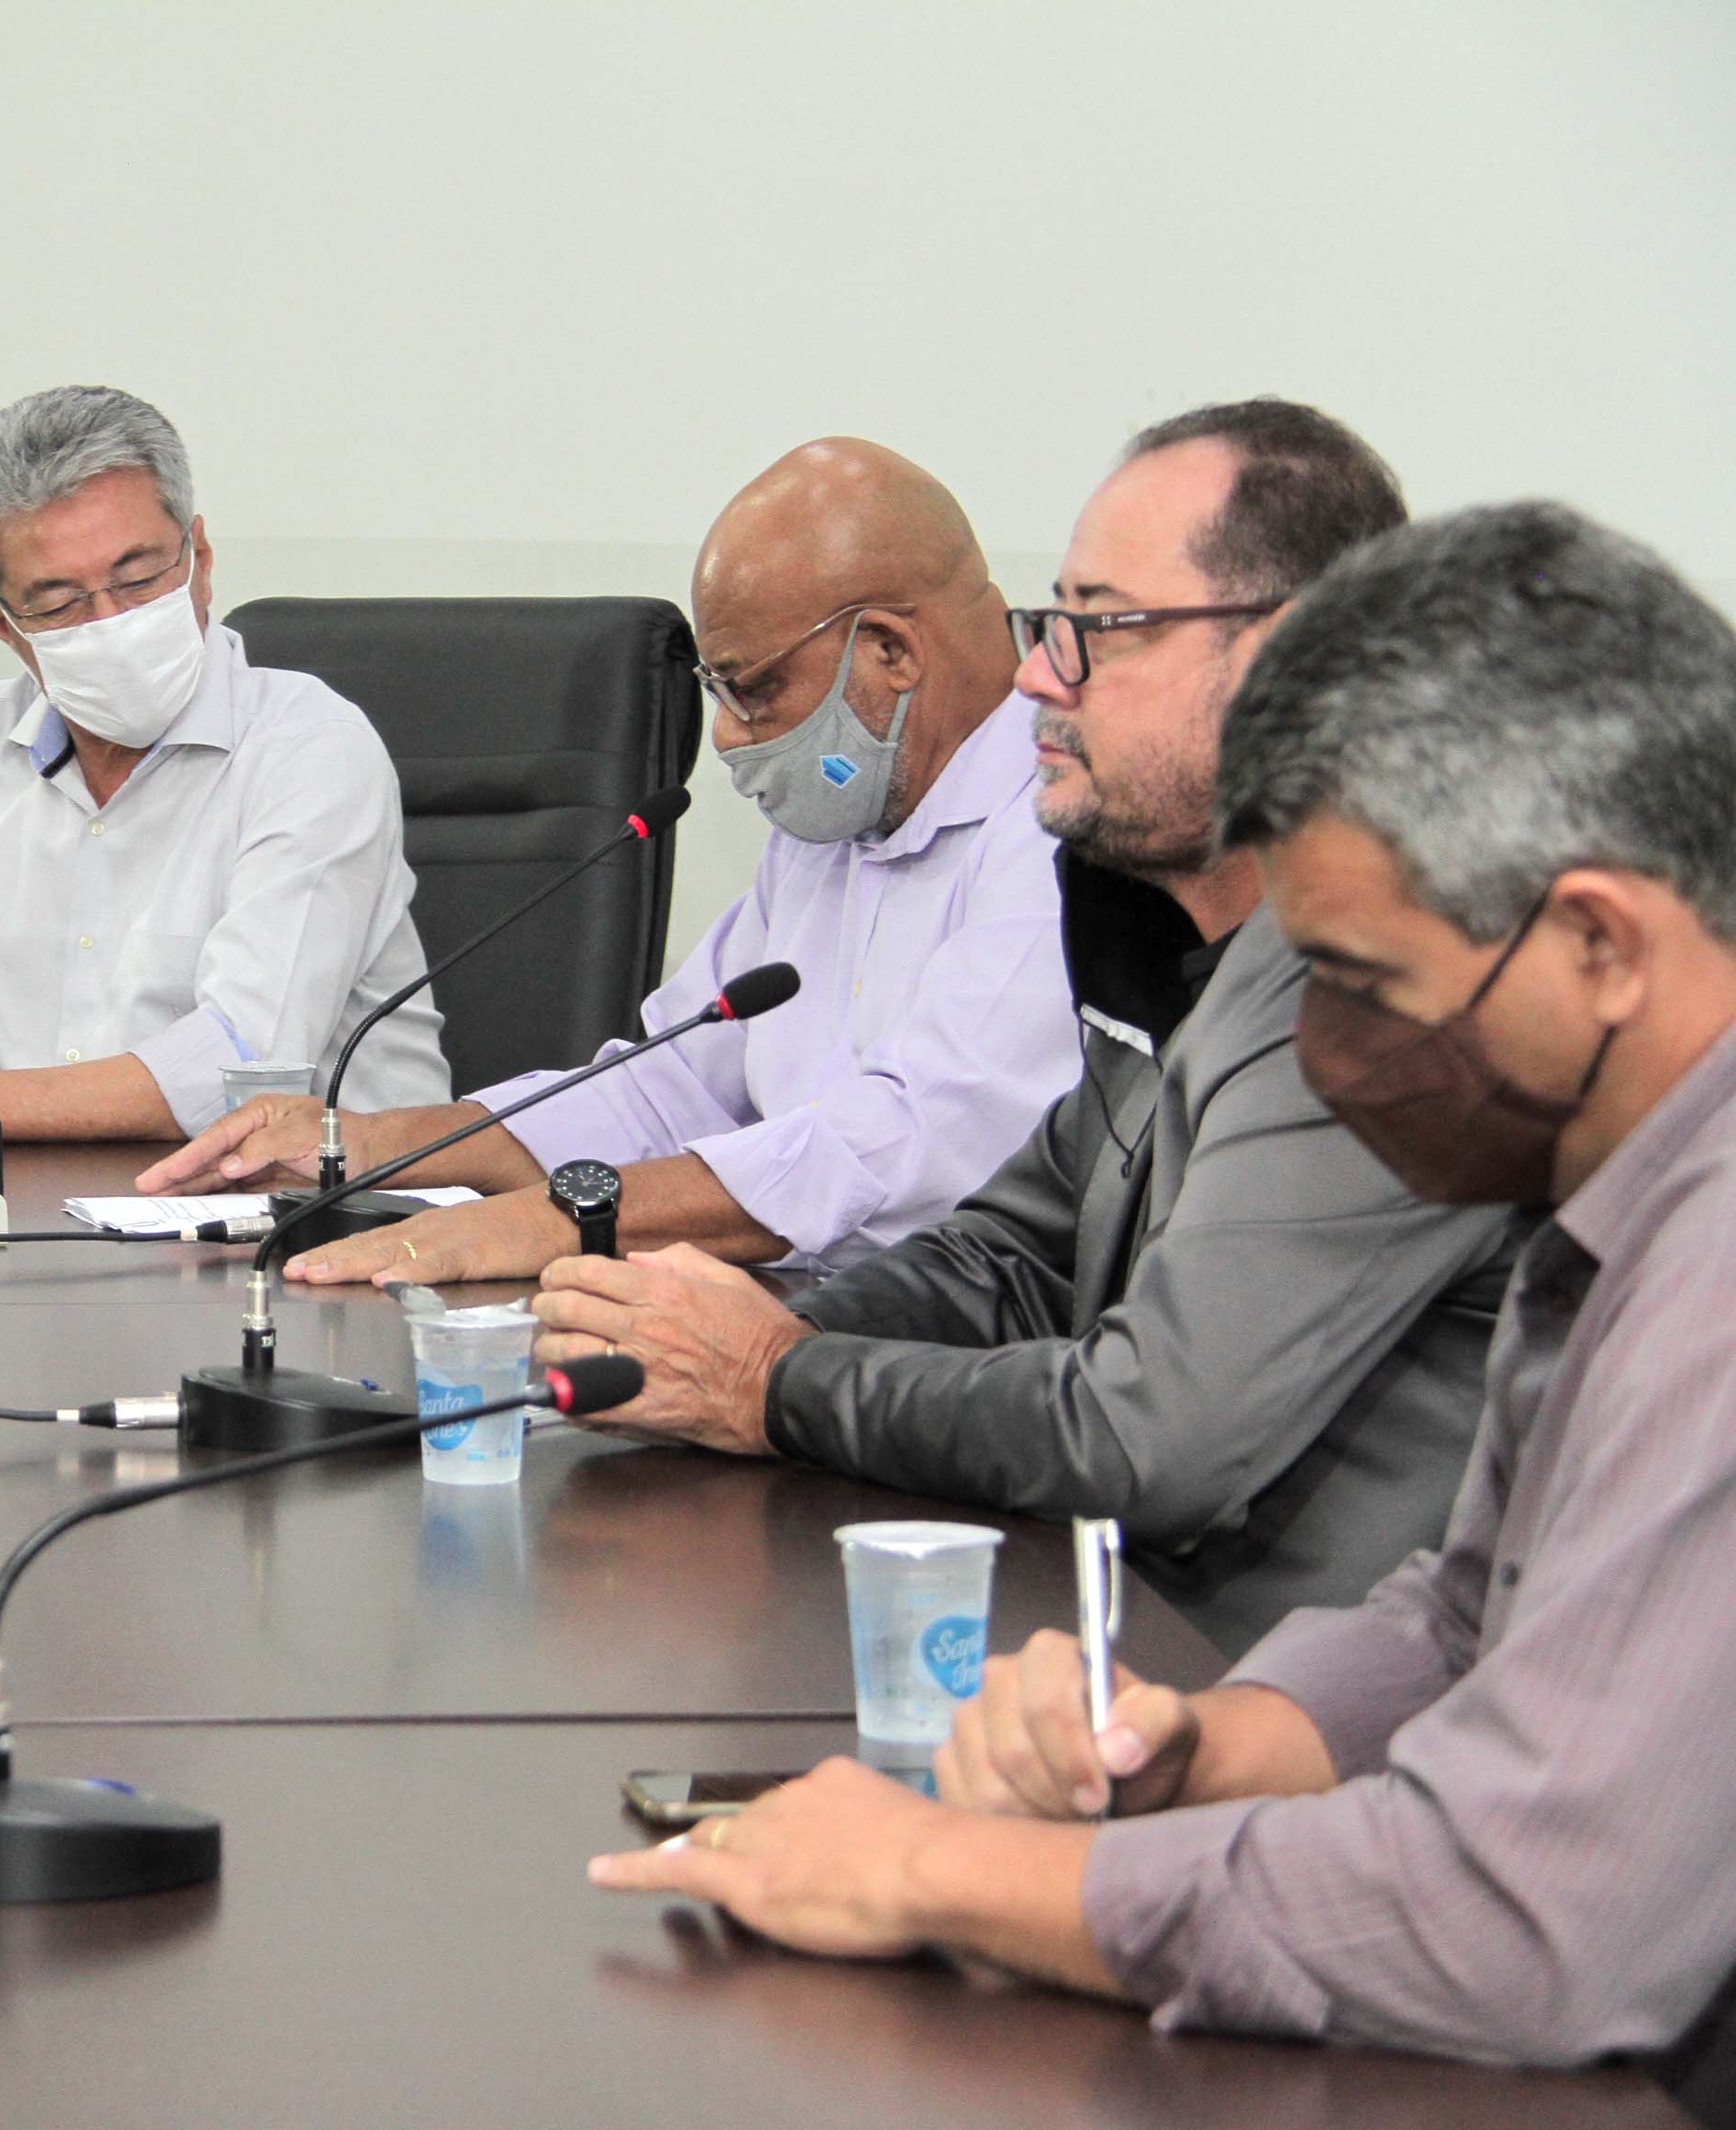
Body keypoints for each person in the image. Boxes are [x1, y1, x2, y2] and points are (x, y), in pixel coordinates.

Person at [589, 501, 1736, 2104]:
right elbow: (1472, 1614)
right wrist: (1204, 1745)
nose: (1320, 1055)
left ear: (1599, 940)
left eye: (1361, 985)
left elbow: (1523, 1922)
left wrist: (943, 1874)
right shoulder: (1610, 1175)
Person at [532, 402, 1524, 1653]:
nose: (1038, 674)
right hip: (1134, 1640)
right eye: (1053, 623)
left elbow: (1145, 1431)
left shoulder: (1389, 984)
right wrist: (702, 1346)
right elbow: (1008, 1259)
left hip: (1308, 1718)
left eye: (1100, 629)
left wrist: (770, 1382)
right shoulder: (1157, 937)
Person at [138, 438, 1080, 1283]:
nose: (727, 735)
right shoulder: (838, 822)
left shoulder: (1065, 829)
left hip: (964, 1351)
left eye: (752, 690)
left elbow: (914, 1145)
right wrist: (373, 1145)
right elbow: (667, 1087)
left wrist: (560, 1224)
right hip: (792, 1308)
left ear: (890, 651)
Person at [0, 386, 448, 1138]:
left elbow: (241, 1070)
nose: (113, 622)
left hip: (320, 1215)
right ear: (2, 622)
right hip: (34, 1201)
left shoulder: (309, 746)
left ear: (202, 560)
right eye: (59, 602)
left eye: (139, 578)